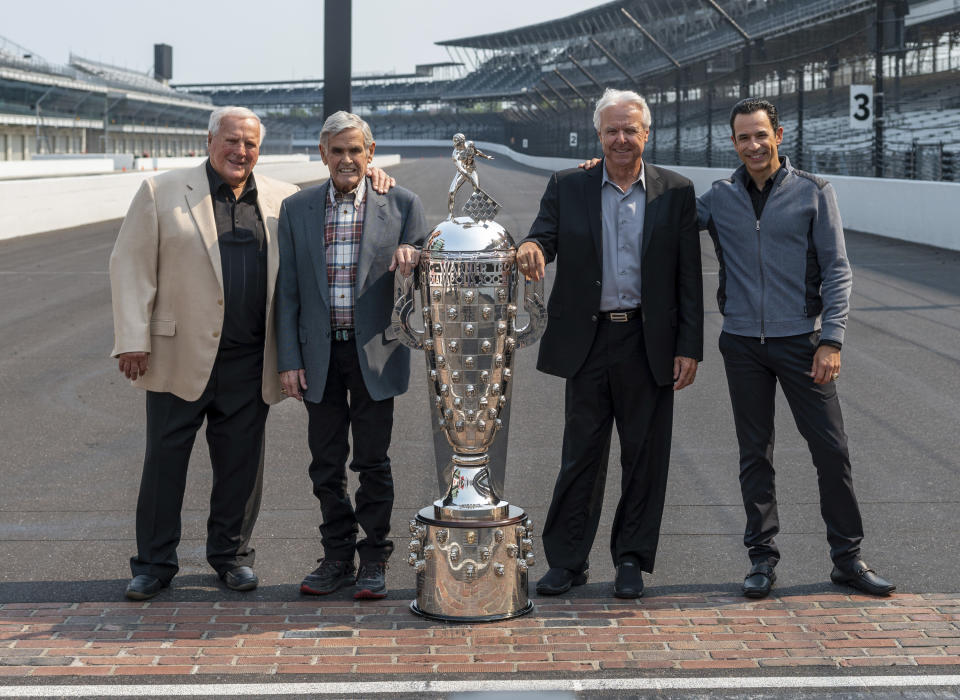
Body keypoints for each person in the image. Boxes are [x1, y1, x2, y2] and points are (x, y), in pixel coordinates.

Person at [110, 106, 393, 601]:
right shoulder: (162, 191)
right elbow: (130, 264)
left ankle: (232, 556)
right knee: (164, 463)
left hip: (249, 357)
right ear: (210, 141)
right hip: (178, 353)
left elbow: (342, 193)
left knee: (241, 465)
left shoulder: (285, 199)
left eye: (251, 144)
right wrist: (133, 337)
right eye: (232, 141)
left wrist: (372, 173)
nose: (241, 151)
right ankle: (153, 564)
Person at [697, 97, 895, 598]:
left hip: (803, 342)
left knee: (831, 450)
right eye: (743, 137)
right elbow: (659, 207)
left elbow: (837, 269)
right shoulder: (718, 196)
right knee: (754, 453)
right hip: (742, 343)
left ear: (778, 136)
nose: (753, 145)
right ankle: (761, 559)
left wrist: (832, 338)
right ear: (734, 142)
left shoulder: (813, 192)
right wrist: (605, 166)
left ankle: (848, 558)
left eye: (760, 135)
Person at [517, 88, 703, 599]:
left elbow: (690, 276)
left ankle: (631, 560)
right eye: (611, 130)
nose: (621, 139)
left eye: (630, 130)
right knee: (581, 455)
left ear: (647, 134)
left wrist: (690, 346)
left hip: (650, 341)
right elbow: (542, 235)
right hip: (588, 340)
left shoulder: (677, 191)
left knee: (645, 457)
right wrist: (531, 247)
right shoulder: (568, 184)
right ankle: (567, 561)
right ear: (598, 135)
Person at [275, 111, 427, 600]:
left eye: (355, 150)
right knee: (325, 463)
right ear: (323, 155)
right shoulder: (297, 209)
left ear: (370, 154)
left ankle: (375, 558)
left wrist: (416, 258)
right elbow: (289, 293)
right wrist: (288, 359)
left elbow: (429, 273)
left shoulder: (401, 203)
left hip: (374, 355)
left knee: (373, 462)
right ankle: (337, 555)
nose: (346, 159)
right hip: (319, 355)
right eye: (336, 151)